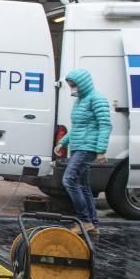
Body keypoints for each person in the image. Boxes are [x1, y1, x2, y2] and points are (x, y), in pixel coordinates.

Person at [54, 68, 111, 238]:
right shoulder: (80, 101)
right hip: (79, 146)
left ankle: (84, 220)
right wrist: (62, 142)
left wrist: (101, 150)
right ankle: (93, 224)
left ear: (82, 83)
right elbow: (77, 127)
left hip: (88, 147)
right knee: (84, 186)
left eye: (74, 85)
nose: (72, 88)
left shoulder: (97, 99)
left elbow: (105, 125)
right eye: (70, 85)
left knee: (69, 180)